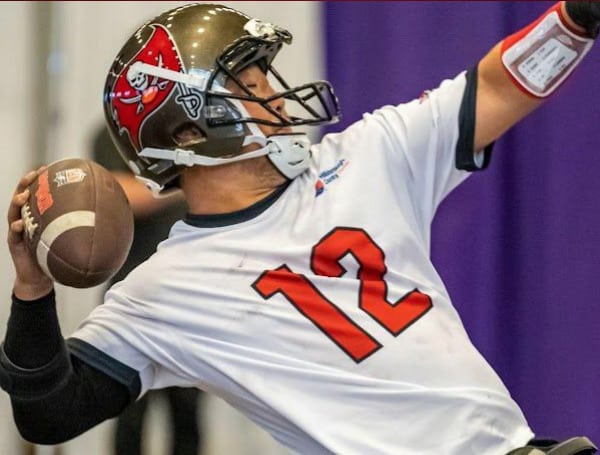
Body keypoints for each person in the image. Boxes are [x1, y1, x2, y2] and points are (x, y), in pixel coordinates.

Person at [2, 2, 599, 454]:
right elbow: (50, 414)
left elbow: (494, 86)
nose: (280, 99)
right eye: (254, 87)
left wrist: (575, 18)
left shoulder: (369, 154)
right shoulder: (162, 290)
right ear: (188, 133)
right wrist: (32, 288)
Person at [91, 127, 202, 455]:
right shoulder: (112, 135)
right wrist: (187, 183)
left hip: (189, 298)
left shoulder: (190, 133)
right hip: (132, 298)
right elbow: (117, 194)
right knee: (130, 413)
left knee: (187, 415)